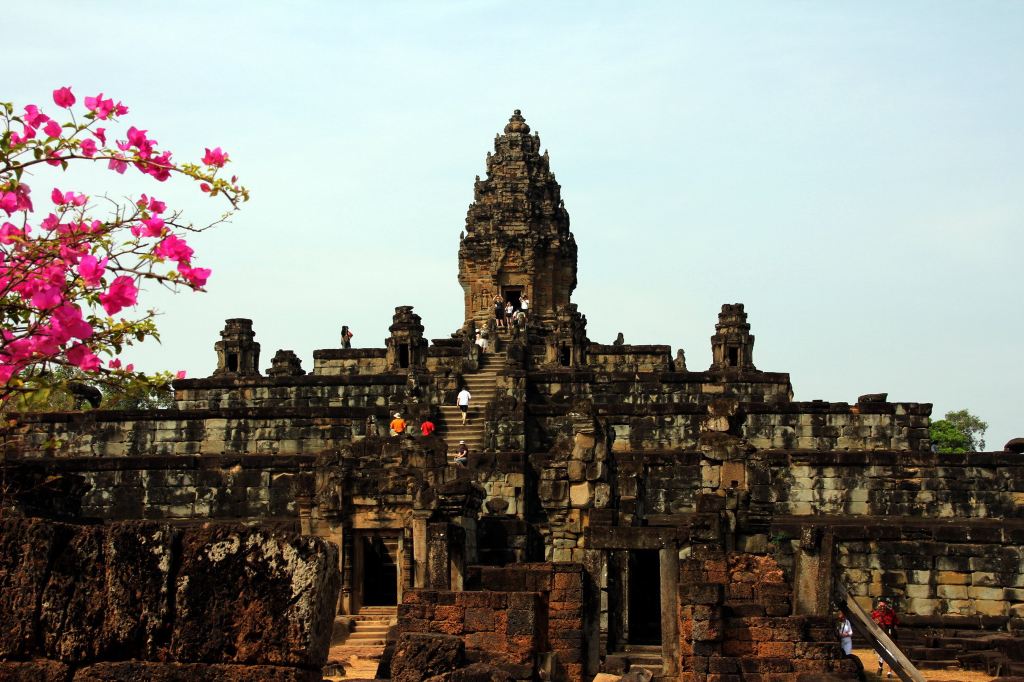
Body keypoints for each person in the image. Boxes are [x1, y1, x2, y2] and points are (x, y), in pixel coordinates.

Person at [871, 598, 899, 677]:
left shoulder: (891, 613)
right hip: (881, 634)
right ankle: (880, 667)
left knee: (892, 653)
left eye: (884, 606)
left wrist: (895, 629)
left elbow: (896, 622)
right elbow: (872, 624)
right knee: (881, 653)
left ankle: (890, 672)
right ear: (878, 607)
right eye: (881, 606)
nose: (882, 608)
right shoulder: (875, 613)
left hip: (890, 633)